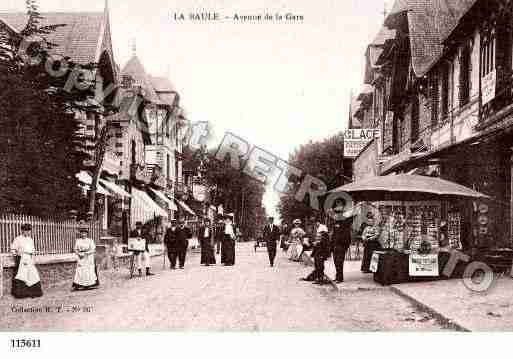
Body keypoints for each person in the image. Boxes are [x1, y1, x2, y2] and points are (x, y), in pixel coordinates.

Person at [10, 223, 43, 298]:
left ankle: (33, 293)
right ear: (22, 231)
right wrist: (17, 256)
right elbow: (13, 249)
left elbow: (33, 250)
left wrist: (33, 259)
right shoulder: (18, 239)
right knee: (22, 275)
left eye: (29, 231)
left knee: (33, 274)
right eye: (26, 230)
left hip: (29, 259)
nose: (28, 232)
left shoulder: (30, 239)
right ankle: (21, 294)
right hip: (22, 259)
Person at [72, 221, 99, 290]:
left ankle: (89, 284)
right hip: (81, 257)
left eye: (85, 233)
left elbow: (93, 249)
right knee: (80, 270)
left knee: (88, 270)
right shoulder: (78, 240)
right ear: (80, 234)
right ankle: (79, 284)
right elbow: (75, 249)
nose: (83, 234)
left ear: (87, 234)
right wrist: (79, 253)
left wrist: (86, 253)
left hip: (88, 257)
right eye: (82, 233)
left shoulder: (90, 240)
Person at [332, 211, 354, 283]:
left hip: (342, 245)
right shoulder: (335, 224)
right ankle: (337, 276)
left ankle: (340, 278)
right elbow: (334, 235)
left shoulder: (345, 223)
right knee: (336, 261)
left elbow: (351, 217)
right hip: (335, 245)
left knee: (339, 261)